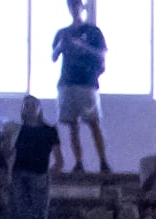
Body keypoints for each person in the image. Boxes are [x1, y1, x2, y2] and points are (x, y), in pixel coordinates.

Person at [52, 0, 109, 173]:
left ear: (82, 8)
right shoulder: (63, 33)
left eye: (77, 6)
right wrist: (62, 46)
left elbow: (102, 53)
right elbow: (54, 56)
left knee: (93, 122)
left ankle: (103, 161)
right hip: (67, 82)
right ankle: (78, 162)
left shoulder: (93, 32)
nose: (74, 10)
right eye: (71, 6)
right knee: (72, 124)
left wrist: (82, 46)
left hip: (87, 82)